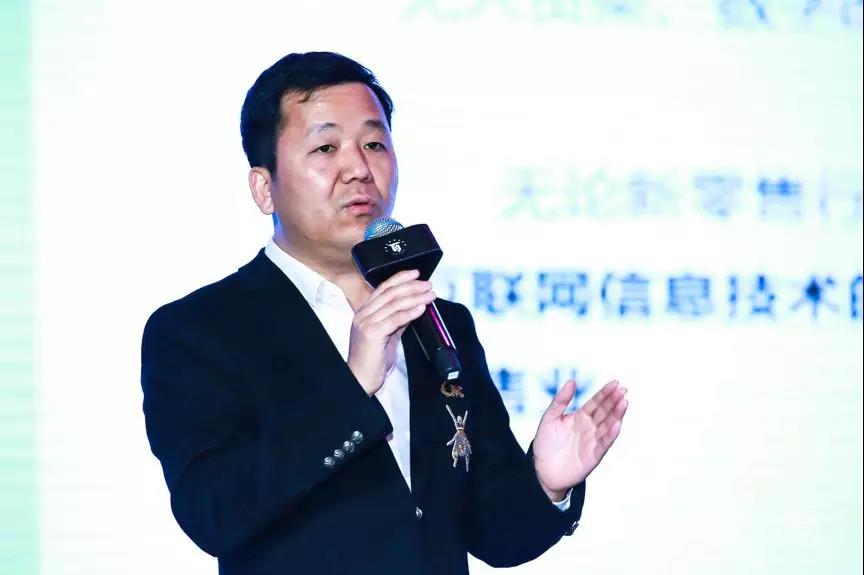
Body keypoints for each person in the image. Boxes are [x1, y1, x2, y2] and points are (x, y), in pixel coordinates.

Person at [141, 51, 628, 575]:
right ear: (264, 187)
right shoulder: (200, 330)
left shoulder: (439, 322)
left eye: (374, 145)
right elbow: (212, 513)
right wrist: (353, 387)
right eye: (326, 148)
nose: (359, 170)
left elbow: (493, 533)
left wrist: (547, 484)